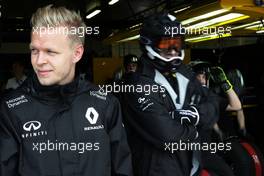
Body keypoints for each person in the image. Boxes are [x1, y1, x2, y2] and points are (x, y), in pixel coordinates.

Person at [0, 5, 132, 176]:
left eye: (50, 51)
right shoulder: (12, 109)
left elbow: (122, 169)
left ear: (77, 53)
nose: (39, 61)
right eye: (34, 50)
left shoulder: (104, 104)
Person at [119, 13, 219, 176]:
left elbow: (213, 102)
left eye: (177, 43)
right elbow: (168, 136)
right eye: (166, 43)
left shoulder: (185, 73)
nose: (173, 50)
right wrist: (196, 131)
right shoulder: (137, 85)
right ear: (148, 43)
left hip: (190, 166)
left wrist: (196, 115)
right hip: (157, 170)